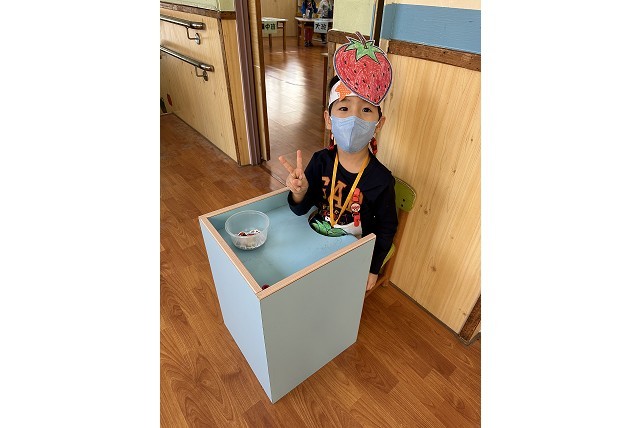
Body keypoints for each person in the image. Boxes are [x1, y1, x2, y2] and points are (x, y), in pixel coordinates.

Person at [279, 33, 397, 292]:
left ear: (379, 124)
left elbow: (387, 229)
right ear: (328, 120)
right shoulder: (321, 161)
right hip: (314, 241)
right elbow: (300, 210)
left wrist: (373, 268)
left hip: (350, 254)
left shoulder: (381, 180)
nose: (354, 118)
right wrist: (299, 193)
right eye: (343, 108)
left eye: (366, 110)